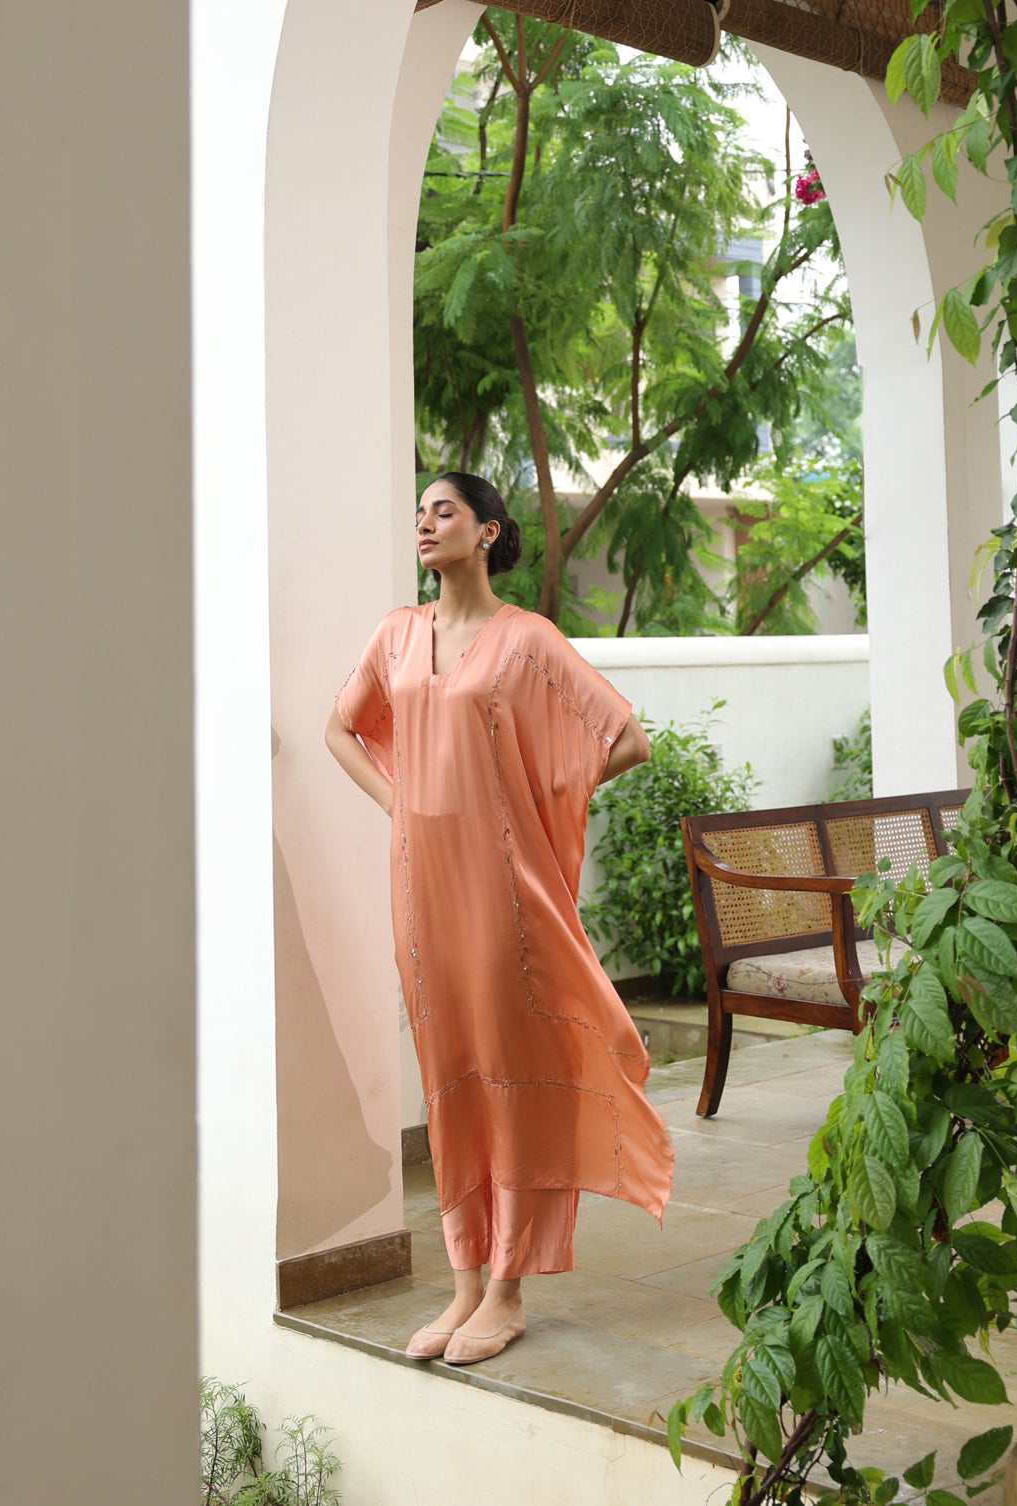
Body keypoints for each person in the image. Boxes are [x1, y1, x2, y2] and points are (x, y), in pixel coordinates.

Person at [324, 472, 675, 1367]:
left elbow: (625, 738)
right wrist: (400, 802)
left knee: (508, 1070)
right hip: (420, 888)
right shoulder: (395, 635)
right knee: (449, 1071)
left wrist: (536, 791)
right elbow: (341, 730)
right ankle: (464, 1283)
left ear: (487, 532)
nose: (425, 522)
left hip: (502, 890)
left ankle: (508, 1288)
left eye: (444, 510)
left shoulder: (527, 640)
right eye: (420, 512)